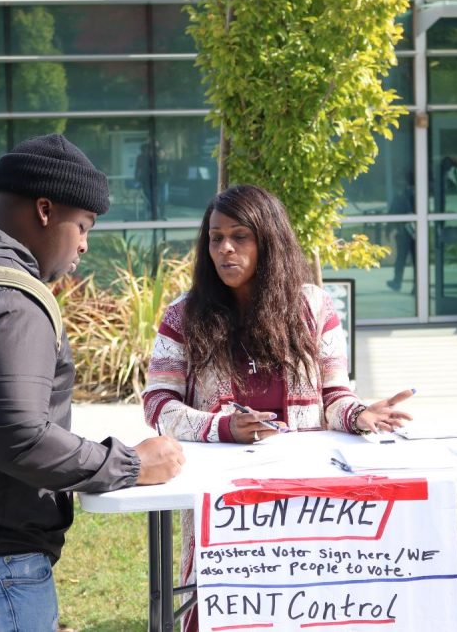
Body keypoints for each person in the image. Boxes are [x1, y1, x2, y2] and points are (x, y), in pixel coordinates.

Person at [0, 134, 185, 631]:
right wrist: (132, 464)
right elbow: (20, 439)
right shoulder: (8, 298)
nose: (86, 243)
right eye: (84, 225)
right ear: (44, 209)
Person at [142, 184, 414, 631]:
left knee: (303, 606)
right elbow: (158, 403)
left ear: (269, 240)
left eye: (240, 236)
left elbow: (333, 396)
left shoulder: (313, 307)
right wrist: (222, 427)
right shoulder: (183, 315)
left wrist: (357, 414)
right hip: (223, 499)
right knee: (224, 609)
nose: (225, 248)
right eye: (215, 237)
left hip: (301, 498)